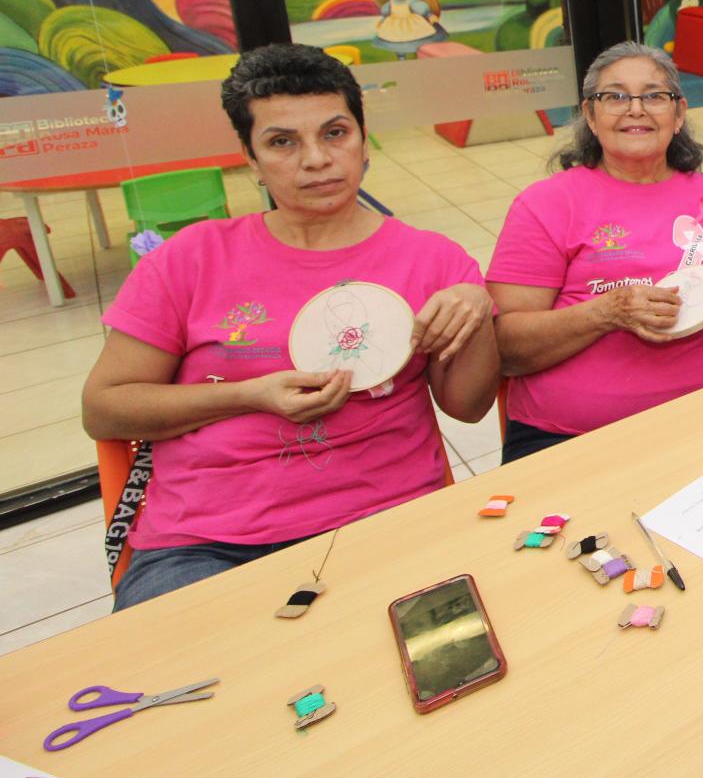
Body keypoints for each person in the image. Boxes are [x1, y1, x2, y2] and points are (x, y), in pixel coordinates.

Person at [82, 44, 499, 608]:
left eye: (334, 133)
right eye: (282, 142)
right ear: (251, 159)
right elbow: (105, 407)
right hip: (209, 542)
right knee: (179, 682)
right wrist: (250, 396)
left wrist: (476, 311)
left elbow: (468, 407)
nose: (316, 160)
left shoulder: (432, 260)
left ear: (362, 137)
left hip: (388, 520)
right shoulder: (193, 258)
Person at [487, 43, 703, 462]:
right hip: (572, 439)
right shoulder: (546, 204)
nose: (635, 109)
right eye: (615, 96)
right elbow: (503, 349)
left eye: (654, 95)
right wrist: (606, 313)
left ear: (679, 114)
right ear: (590, 115)